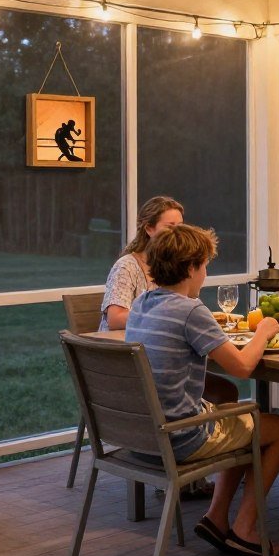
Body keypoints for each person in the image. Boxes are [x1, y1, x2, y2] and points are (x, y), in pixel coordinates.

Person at [126, 224, 279, 556]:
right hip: (178, 438)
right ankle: (246, 528)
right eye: (204, 265)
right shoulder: (190, 310)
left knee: (238, 416)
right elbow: (244, 367)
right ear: (190, 268)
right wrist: (264, 330)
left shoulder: (143, 302)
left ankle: (217, 519)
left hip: (139, 437)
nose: (205, 272)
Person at [99, 196, 239, 498]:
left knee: (225, 393)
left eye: (180, 226)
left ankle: (192, 481)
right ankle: (225, 516)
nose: (177, 232)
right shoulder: (133, 270)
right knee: (269, 426)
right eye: (170, 227)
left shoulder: (146, 303)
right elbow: (113, 318)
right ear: (149, 229)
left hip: (145, 417)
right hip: (159, 416)